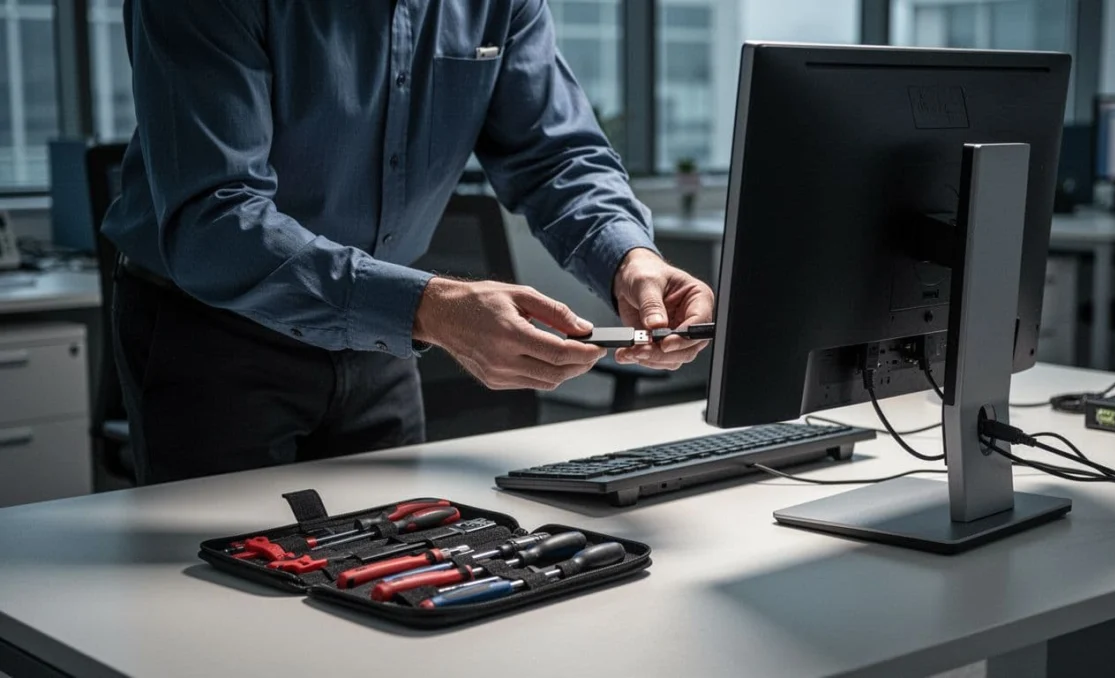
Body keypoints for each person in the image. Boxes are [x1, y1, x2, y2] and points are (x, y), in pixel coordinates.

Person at [102, 0, 715, 485]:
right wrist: (428, 308)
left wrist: (628, 257)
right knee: (213, 608)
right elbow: (216, 215)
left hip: (381, 340)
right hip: (215, 333)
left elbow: (555, 154)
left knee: (395, 575)